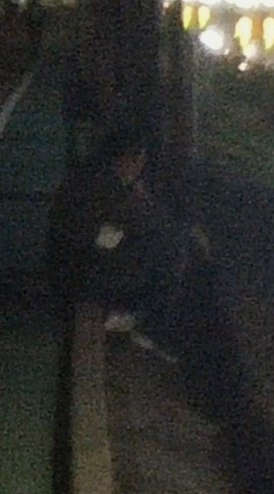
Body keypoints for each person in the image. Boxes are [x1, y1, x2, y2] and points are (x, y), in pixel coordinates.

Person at [45, 122, 189, 346]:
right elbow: (145, 223)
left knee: (164, 250)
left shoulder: (92, 177)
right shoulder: (105, 186)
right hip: (83, 275)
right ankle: (147, 325)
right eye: (138, 160)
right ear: (127, 158)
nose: (140, 167)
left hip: (77, 267)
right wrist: (141, 201)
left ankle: (142, 319)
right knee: (171, 253)